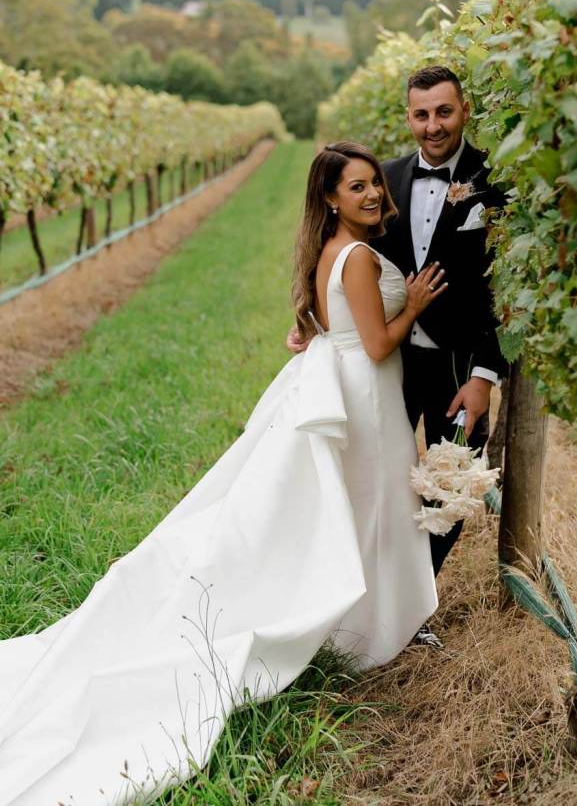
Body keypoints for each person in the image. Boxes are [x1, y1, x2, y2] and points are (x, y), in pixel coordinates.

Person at [0, 142, 446, 806]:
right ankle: (365, 631)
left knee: (361, 507)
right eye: (356, 187)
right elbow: (379, 341)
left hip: (354, 384)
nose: (373, 194)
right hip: (365, 388)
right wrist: (411, 302)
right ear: (330, 198)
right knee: (371, 505)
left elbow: (334, 327)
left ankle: (360, 624)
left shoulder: (330, 249)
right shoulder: (353, 256)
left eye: (374, 183)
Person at [288, 66, 505, 651]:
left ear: (464, 110)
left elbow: (506, 290)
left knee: (452, 489)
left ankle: (403, 607)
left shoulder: (499, 180)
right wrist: (312, 320)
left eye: (444, 112)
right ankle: (377, 613)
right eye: (421, 114)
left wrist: (485, 375)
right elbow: (348, 268)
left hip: (460, 372)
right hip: (384, 366)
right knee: (373, 485)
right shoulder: (384, 180)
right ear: (407, 116)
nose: (432, 126)